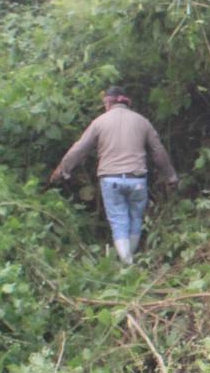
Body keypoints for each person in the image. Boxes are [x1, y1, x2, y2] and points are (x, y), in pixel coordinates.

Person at [49, 87, 178, 265]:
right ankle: (129, 260)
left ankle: (127, 263)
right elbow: (158, 152)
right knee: (136, 218)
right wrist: (170, 176)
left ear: (108, 102)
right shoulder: (142, 121)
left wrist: (62, 170)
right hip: (137, 179)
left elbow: (80, 148)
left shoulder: (99, 122)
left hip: (110, 180)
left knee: (118, 220)